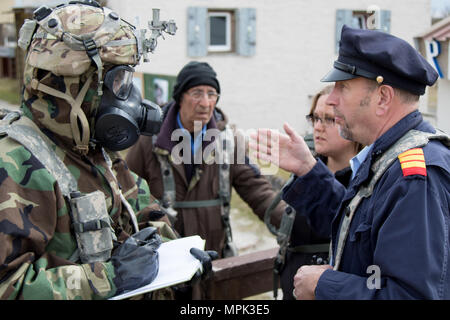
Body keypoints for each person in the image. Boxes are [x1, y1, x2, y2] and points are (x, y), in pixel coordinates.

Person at [0, 1, 216, 300]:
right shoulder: (15, 163)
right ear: (72, 86)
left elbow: (144, 209)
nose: (127, 97)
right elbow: (8, 286)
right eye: (117, 81)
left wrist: (176, 255)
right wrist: (110, 277)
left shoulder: (92, 147)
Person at [252, 25, 449, 299]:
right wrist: (308, 170)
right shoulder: (388, 157)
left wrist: (324, 286)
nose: (331, 100)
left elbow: (410, 295)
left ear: (383, 98)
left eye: (342, 87)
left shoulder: (414, 176)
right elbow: (356, 227)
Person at [126, 61, 286, 260]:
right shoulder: (149, 141)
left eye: (211, 94)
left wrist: (295, 226)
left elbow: (258, 192)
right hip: (164, 258)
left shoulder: (228, 141)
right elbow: (128, 194)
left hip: (213, 256)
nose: (205, 102)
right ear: (180, 97)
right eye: (196, 93)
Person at [279, 84, 362, 300]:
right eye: (315, 118)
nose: (318, 127)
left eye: (329, 119)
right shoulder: (305, 170)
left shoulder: (366, 181)